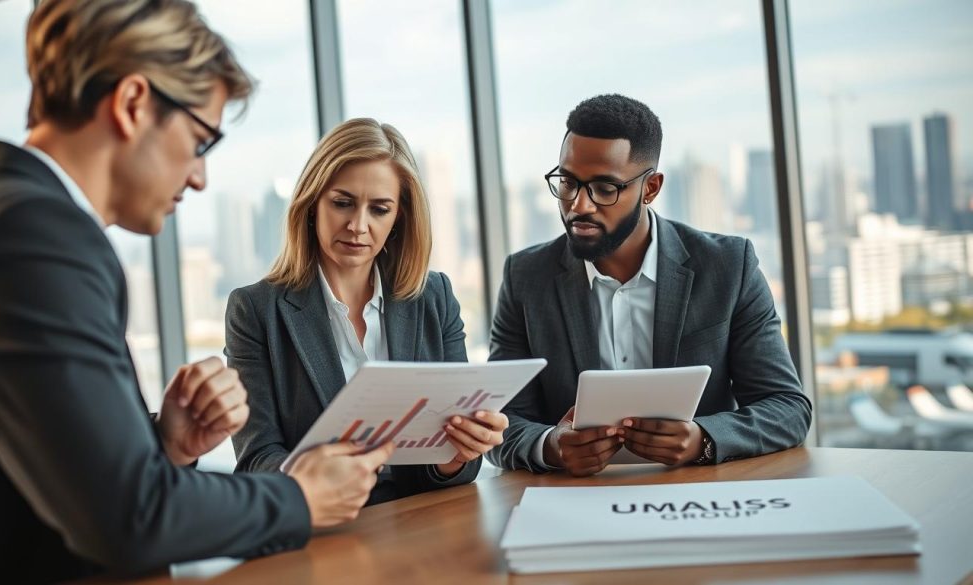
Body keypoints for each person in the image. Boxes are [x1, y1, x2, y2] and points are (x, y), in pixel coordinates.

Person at [0, 2, 391, 583]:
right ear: (133, 103)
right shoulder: (34, 237)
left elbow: (43, 474)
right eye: (200, 141)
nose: (199, 177)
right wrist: (298, 497)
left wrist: (163, 443)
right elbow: (129, 518)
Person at [487, 94, 812, 477]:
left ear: (651, 188)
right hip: (573, 501)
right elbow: (501, 421)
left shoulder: (728, 267)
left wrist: (702, 440)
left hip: (696, 498)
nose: (579, 206)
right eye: (568, 183)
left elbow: (787, 407)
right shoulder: (526, 277)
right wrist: (551, 446)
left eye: (604, 189)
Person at [226, 118, 507, 503]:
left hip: (421, 522)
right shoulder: (255, 310)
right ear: (311, 204)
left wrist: (457, 456)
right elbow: (255, 459)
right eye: (342, 203)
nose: (358, 226)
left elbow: (458, 468)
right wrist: (319, 475)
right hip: (322, 527)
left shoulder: (434, 296)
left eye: (379, 209)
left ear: (398, 217)